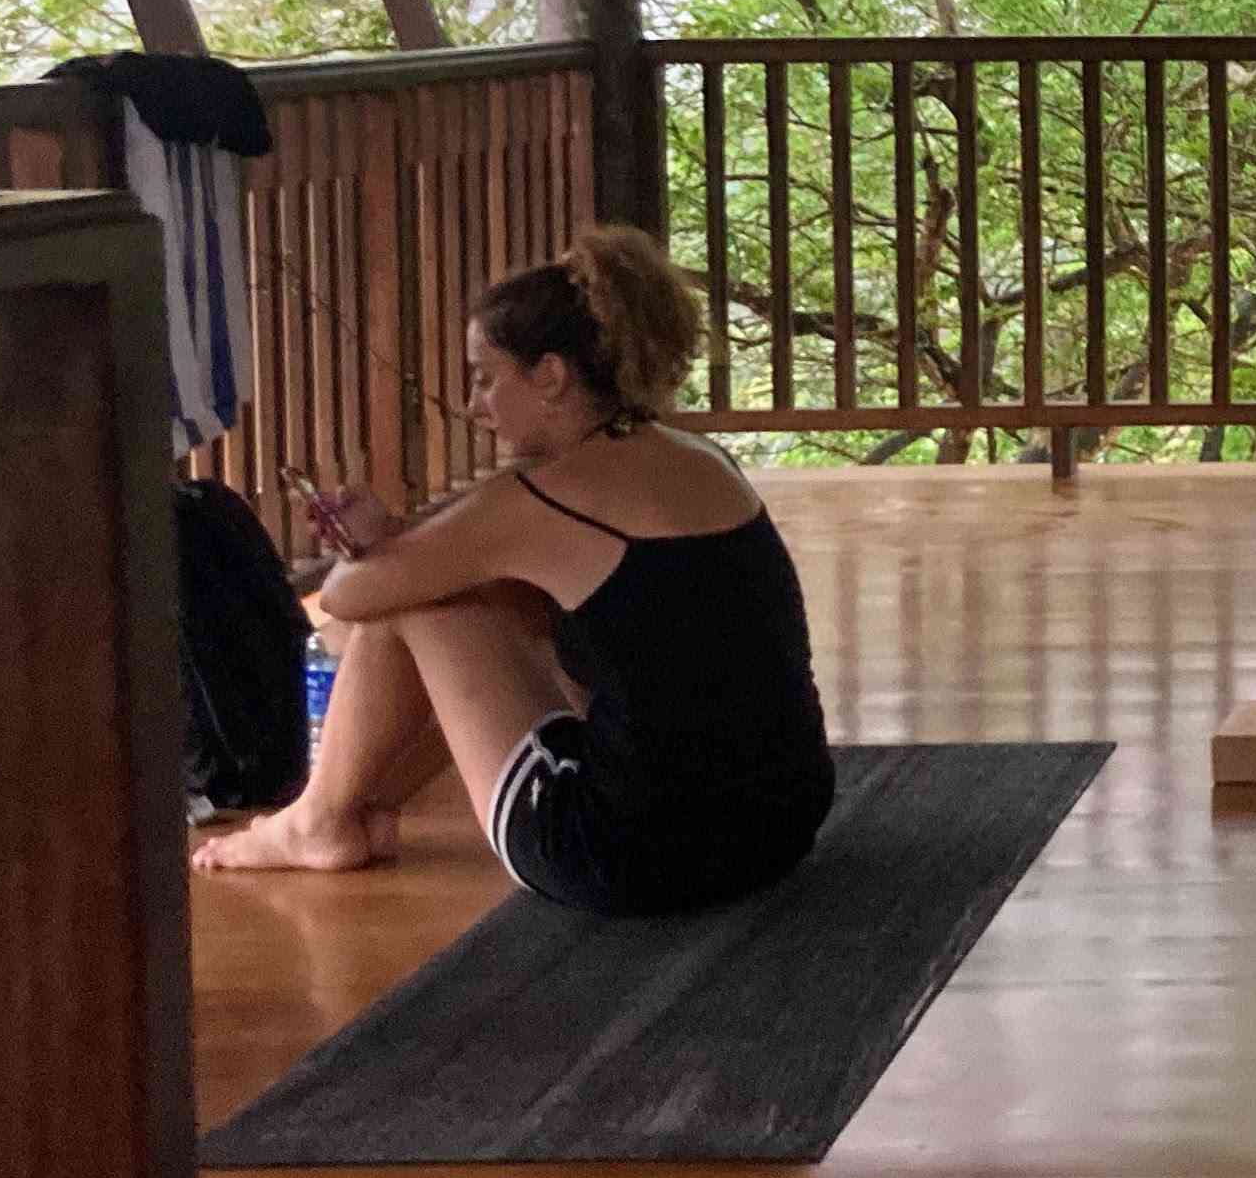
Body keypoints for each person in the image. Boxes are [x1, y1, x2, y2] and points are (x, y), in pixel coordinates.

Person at [195, 225, 833, 917]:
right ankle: (353, 808)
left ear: (551, 377)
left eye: (486, 379)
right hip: (778, 827)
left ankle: (318, 820)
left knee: (426, 600)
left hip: (631, 855)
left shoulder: (538, 497)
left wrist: (380, 552)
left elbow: (350, 601)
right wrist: (401, 542)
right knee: (474, 591)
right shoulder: (697, 458)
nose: (475, 407)